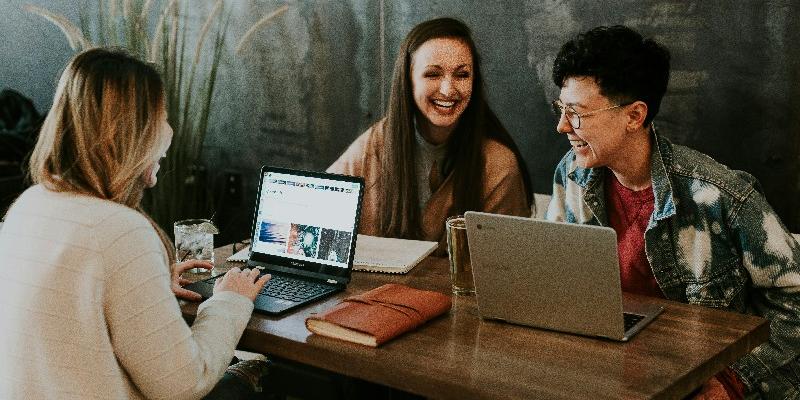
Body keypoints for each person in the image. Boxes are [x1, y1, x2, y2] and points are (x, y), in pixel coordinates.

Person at [545, 25, 800, 399]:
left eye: (577, 113)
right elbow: (558, 281)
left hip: (708, 382)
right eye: (561, 109)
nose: (562, 126)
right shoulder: (571, 175)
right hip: (613, 373)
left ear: (634, 116)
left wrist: (732, 381)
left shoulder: (720, 194)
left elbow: (794, 302)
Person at [0, 48, 271, 399]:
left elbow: (70, 309)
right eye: (161, 117)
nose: (169, 131)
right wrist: (230, 300)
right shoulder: (120, 230)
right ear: (130, 133)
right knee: (254, 374)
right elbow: (183, 383)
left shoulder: (28, 206)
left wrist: (149, 284)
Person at [328, 17, 532, 251]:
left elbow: (505, 266)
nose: (448, 89)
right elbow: (315, 214)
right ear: (408, 81)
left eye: (462, 75)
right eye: (433, 74)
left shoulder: (499, 164)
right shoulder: (374, 145)